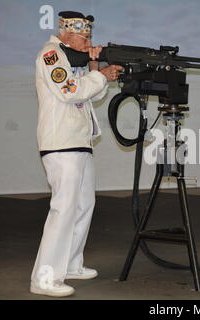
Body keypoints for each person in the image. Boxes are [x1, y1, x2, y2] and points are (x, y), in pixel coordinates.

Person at [30, 11, 123, 297]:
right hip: (61, 144)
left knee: (83, 206)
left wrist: (94, 66)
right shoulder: (51, 55)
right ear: (68, 34)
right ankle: (44, 277)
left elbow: (92, 94)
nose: (88, 42)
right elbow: (69, 91)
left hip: (79, 141)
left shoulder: (71, 57)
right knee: (63, 210)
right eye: (85, 38)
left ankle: (69, 264)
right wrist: (99, 74)